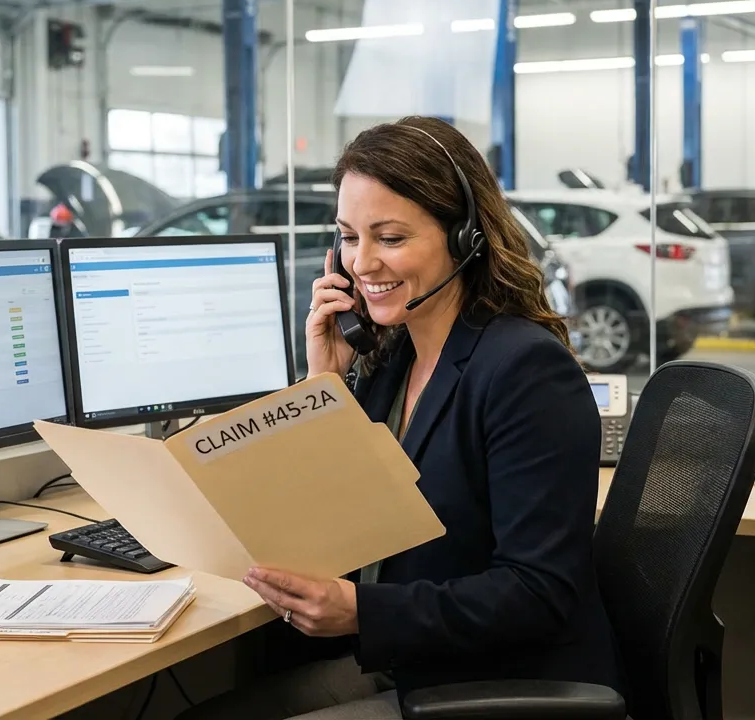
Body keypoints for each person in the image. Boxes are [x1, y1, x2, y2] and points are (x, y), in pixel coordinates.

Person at [179, 117, 621, 719]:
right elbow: (332, 519)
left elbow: (536, 592)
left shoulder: (525, 371)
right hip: (416, 664)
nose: (361, 263)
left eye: (388, 238)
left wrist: (361, 610)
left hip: (493, 685)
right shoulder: (393, 358)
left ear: (464, 238)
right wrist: (323, 386)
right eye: (348, 237)